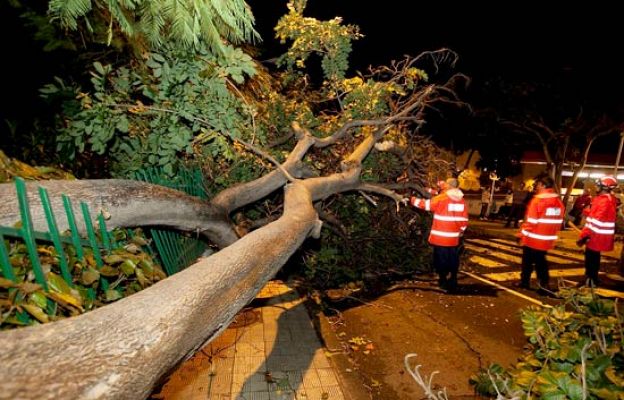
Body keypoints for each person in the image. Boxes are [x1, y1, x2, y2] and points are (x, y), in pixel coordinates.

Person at [407, 178, 468, 292]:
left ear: (448, 186)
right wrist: (461, 231)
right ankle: (453, 278)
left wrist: (411, 199)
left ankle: (443, 280)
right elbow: (464, 220)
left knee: (441, 259)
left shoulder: (442, 198)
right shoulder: (462, 200)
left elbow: (425, 204)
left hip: (441, 237)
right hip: (454, 238)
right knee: (453, 258)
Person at [516, 176, 564, 294]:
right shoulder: (558, 202)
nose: (536, 186)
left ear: (543, 185)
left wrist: (521, 234)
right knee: (540, 261)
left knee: (527, 261)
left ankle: (525, 282)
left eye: (537, 184)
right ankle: (544, 283)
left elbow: (531, 222)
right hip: (547, 238)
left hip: (534, 237)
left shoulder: (538, 200)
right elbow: (558, 220)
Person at [576, 176, 618, 287]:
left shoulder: (605, 201)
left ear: (605, 187)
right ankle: (590, 279)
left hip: (596, 235)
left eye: (598, 185)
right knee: (592, 257)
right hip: (596, 234)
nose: (596, 186)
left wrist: (585, 236)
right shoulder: (603, 199)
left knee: (591, 259)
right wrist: (587, 211)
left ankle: (590, 280)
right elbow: (595, 216)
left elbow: (596, 221)